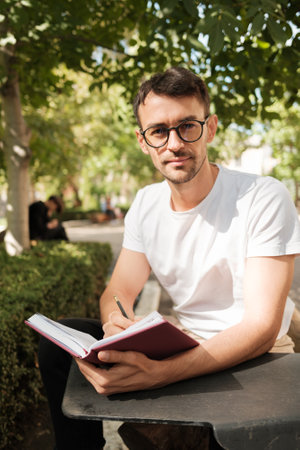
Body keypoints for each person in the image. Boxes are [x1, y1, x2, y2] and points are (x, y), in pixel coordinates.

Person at [38, 67, 300, 449]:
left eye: (187, 127)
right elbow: (118, 290)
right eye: (159, 131)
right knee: (58, 347)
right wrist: (116, 324)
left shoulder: (262, 197)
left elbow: (261, 327)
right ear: (143, 141)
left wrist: (159, 374)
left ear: (209, 129)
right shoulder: (145, 203)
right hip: (184, 342)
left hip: (260, 356)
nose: (173, 143)